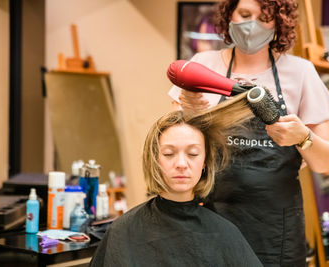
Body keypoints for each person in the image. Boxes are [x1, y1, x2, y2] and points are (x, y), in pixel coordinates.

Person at [168, 0, 329, 266]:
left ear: (279, 22)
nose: (252, 25)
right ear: (229, 15)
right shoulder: (203, 65)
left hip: (276, 232)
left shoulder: (300, 72)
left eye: (265, 18)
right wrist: (188, 114)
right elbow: (173, 148)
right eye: (245, 14)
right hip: (212, 222)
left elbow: (328, 163)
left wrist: (303, 137)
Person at [89, 94, 263, 266]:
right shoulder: (123, 231)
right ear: (155, 160)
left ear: (205, 162)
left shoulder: (224, 233)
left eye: (192, 154)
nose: (181, 164)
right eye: (169, 154)